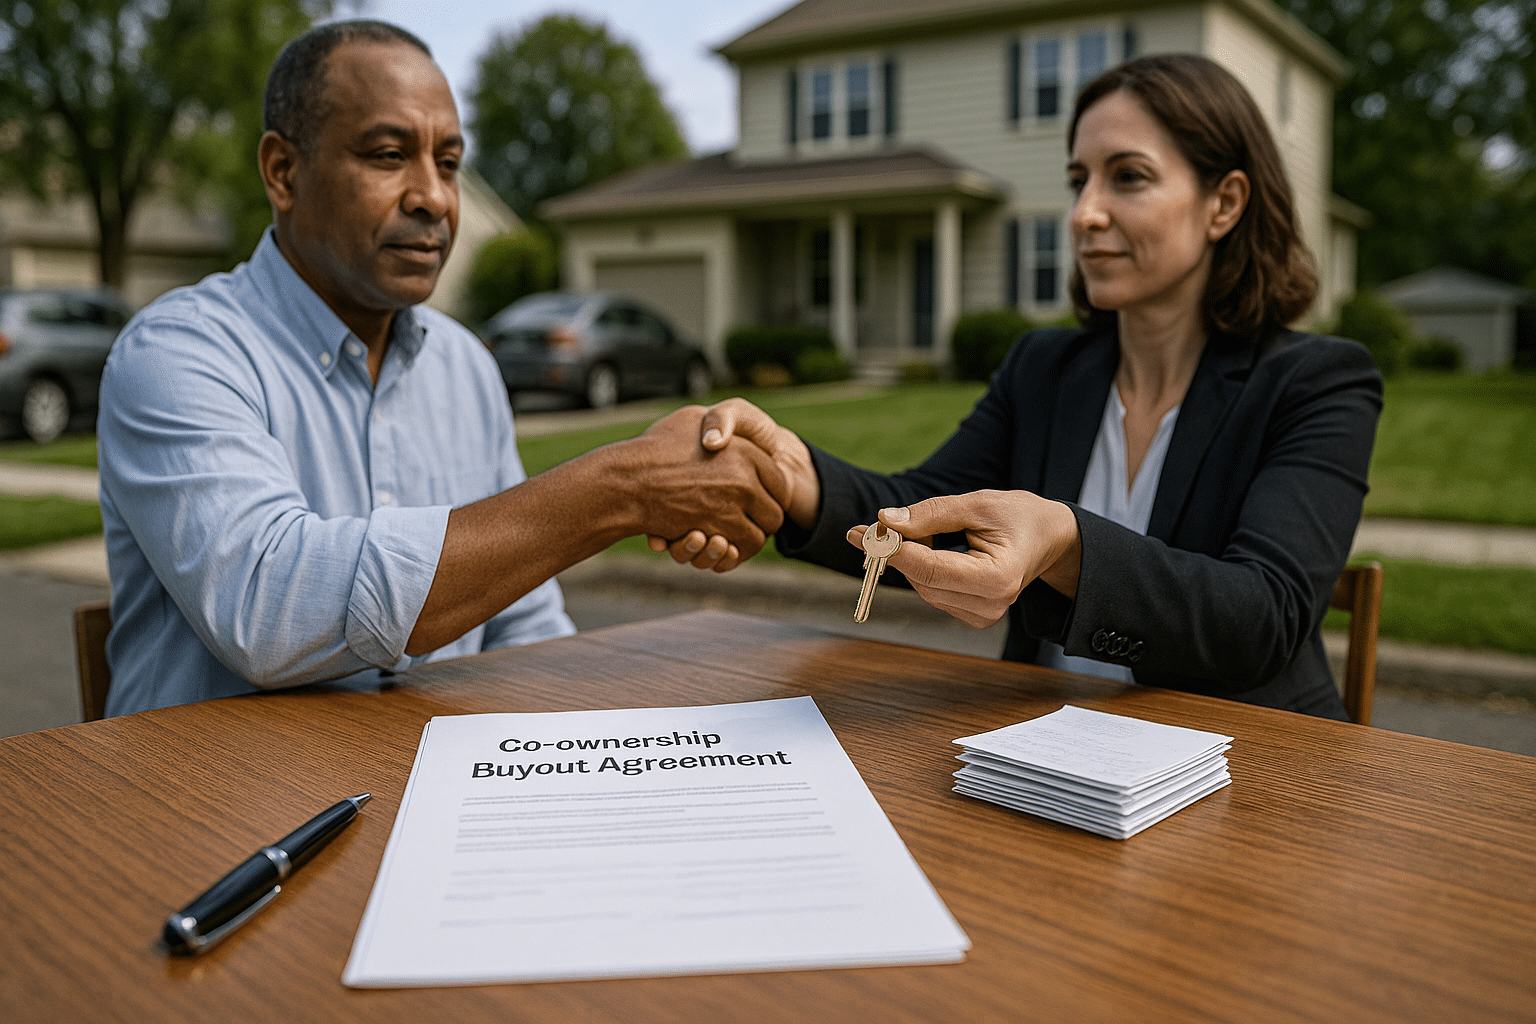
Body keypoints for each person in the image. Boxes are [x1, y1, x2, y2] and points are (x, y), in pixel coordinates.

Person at [96, 20, 785, 716]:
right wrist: (620, 488)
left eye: (449, 163)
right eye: (389, 155)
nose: (434, 198)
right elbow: (268, 609)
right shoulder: (179, 352)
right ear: (283, 171)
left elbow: (525, 628)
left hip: (426, 794)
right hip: (205, 807)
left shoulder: (465, 366)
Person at [673, 54, 1382, 718]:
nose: (1084, 214)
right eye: (1079, 181)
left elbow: (1264, 616)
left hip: (1251, 775)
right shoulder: (1044, 369)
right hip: (1037, 752)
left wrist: (1068, 547)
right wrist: (798, 478)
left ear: (1224, 203)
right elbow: (929, 512)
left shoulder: (1320, 382)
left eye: (1127, 177)